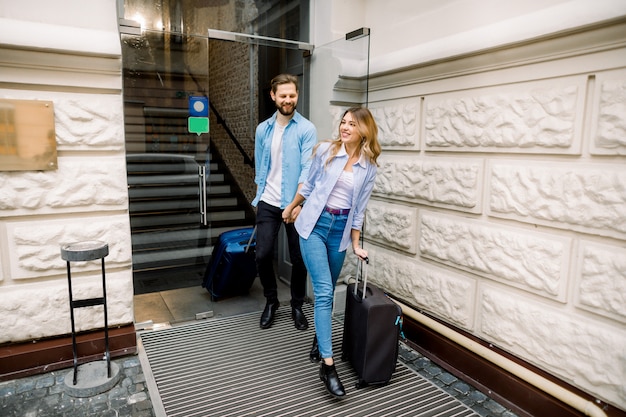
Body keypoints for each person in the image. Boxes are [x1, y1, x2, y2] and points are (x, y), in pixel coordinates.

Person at [282, 107, 381, 398]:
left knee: (329, 288)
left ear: (364, 130)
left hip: (339, 232)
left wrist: (356, 243)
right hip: (314, 224)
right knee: (324, 292)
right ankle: (328, 365)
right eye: (344, 121)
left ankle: (319, 339)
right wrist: (291, 206)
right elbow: (310, 185)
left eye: (352, 124)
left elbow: (359, 210)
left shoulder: (369, 167)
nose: (345, 127)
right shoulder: (326, 150)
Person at [252, 73, 317, 331]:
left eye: (292, 95)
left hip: (297, 201)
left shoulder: (306, 129)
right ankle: (271, 301)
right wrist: (258, 197)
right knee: (263, 254)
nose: (288, 100)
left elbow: (307, 169)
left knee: (298, 257)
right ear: (273, 96)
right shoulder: (263, 130)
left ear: (296, 95)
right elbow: (260, 165)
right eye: (283, 96)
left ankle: (297, 305)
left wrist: (297, 204)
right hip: (268, 200)